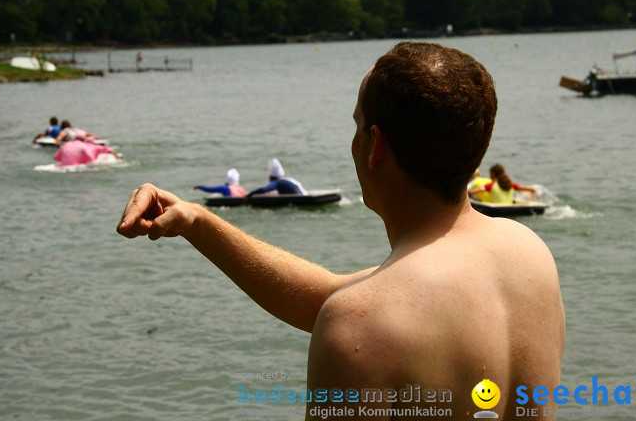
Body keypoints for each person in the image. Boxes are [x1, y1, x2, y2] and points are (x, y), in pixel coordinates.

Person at [116, 42, 564, 420]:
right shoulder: (527, 256)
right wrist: (198, 222)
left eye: (356, 125)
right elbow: (334, 299)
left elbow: (356, 315)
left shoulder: (361, 323)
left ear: (376, 146)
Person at [469, 163, 539, 204]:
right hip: (509, 208)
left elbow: (471, 192)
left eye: (490, 174)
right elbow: (532, 189)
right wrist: (536, 197)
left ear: (493, 175)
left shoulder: (490, 185)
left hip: (496, 209)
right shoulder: (511, 184)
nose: (490, 176)